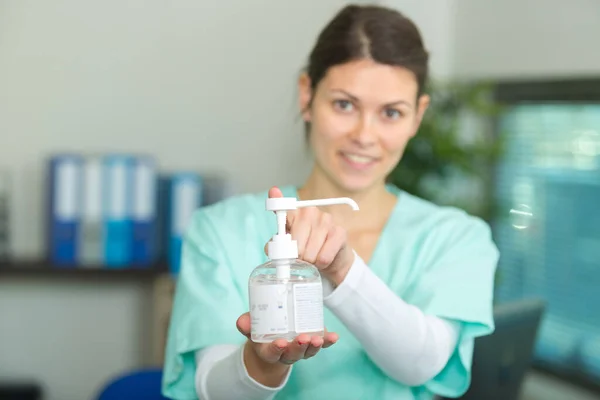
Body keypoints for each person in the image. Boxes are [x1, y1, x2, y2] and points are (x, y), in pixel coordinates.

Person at [161, 4, 499, 400]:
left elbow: (423, 363)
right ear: (307, 95)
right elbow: (212, 391)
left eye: (391, 112)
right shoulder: (220, 230)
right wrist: (262, 361)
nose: (365, 135)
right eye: (344, 104)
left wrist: (344, 271)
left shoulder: (455, 237)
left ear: (417, 116)